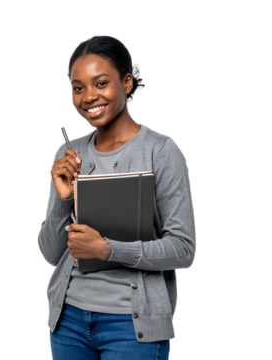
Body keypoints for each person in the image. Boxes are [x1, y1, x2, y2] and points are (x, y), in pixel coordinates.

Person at [37, 33, 197, 360]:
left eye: (101, 83)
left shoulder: (161, 151)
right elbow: (51, 254)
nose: (88, 97)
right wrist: (63, 198)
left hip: (131, 327)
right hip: (68, 321)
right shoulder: (67, 152)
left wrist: (108, 250)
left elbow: (184, 249)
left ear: (126, 83)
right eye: (77, 87)